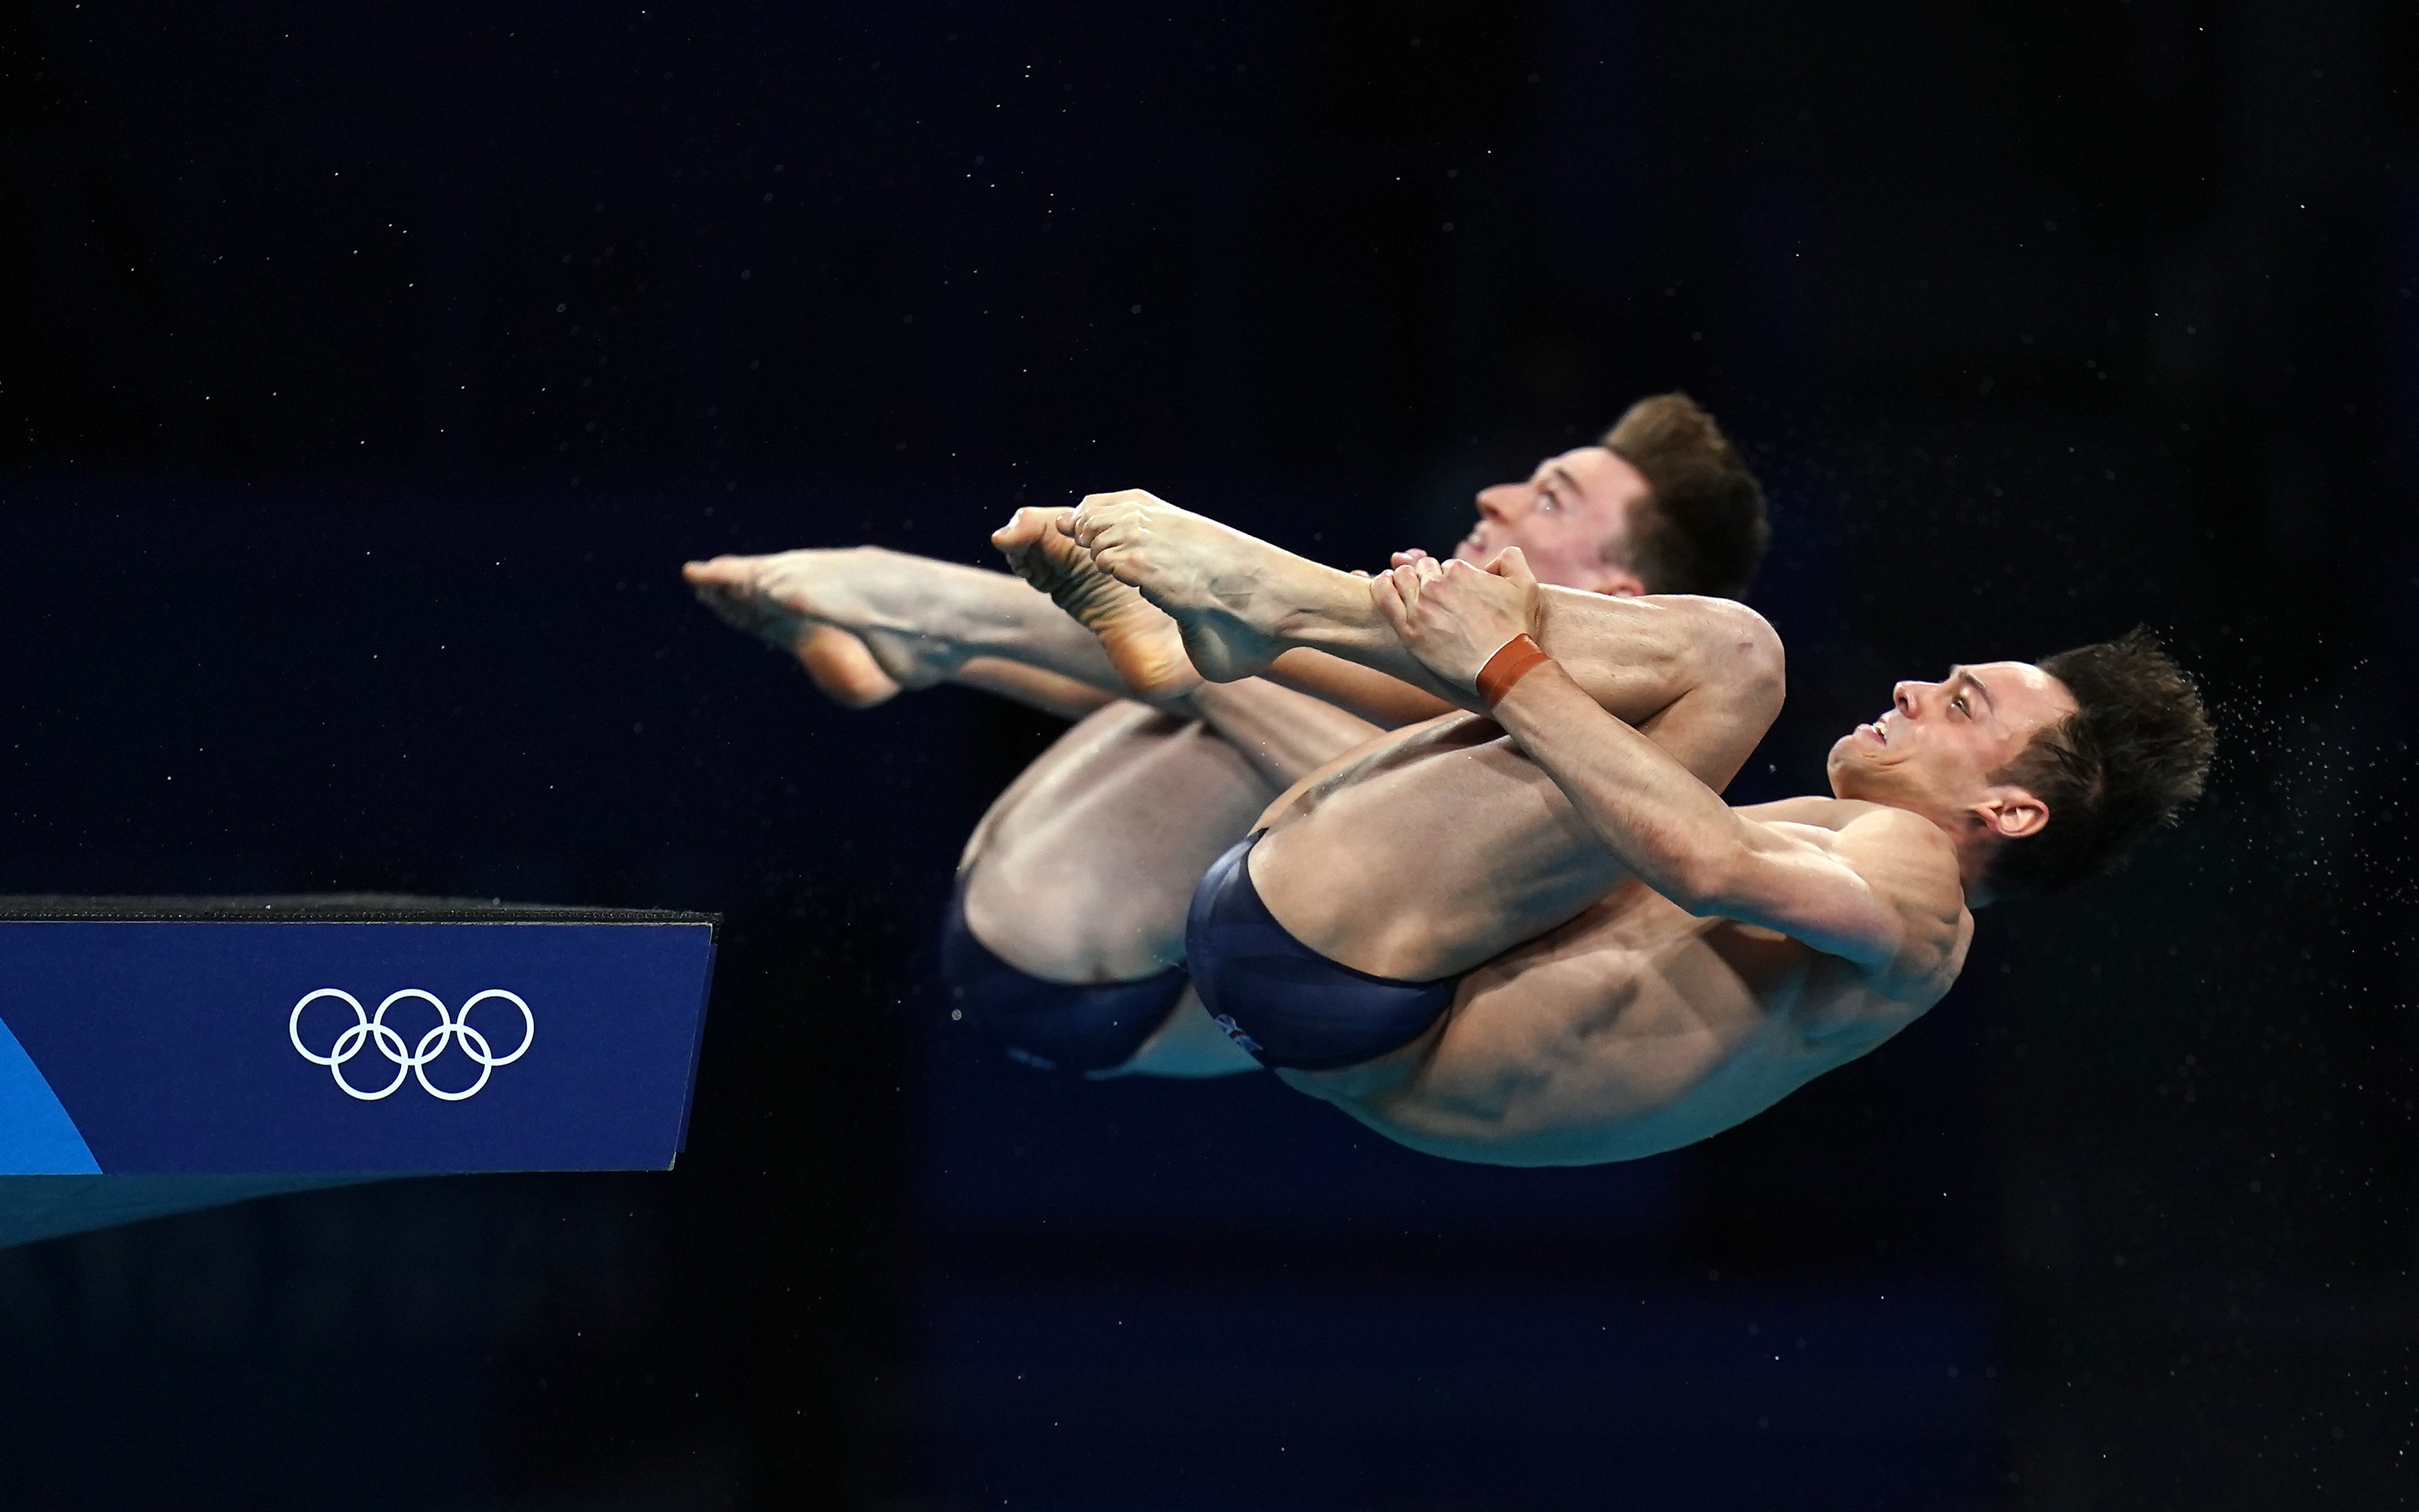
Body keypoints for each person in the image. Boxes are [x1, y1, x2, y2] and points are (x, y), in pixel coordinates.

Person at [1023, 489, 2213, 1164]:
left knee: (1736, 660)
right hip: (1324, 985)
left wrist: (1501, 652)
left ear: (2009, 810)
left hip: (1342, 976)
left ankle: (1277, 610)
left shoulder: (1920, 903)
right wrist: (1506, 661)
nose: (1911, 690)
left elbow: (1704, 862)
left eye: (1960, 706)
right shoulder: (1836, 838)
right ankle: (1231, 656)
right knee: (1588, 712)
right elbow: (1576, 799)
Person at [684, 395, 1772, 1077]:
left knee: (1244, 669)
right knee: (1214, 674)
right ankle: (941, 646)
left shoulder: (1615, 781)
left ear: (1619, 586)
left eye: (1551, 495)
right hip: (1072, 926)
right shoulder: (1442, 677)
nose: (1495, 491)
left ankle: (936, 620)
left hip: (1114, 981)